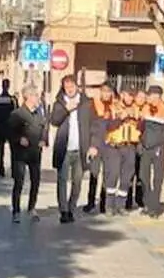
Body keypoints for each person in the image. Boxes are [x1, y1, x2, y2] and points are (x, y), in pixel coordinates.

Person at [49, 74, 96, 224]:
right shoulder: (59, 103)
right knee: (62, 180)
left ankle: (71, 208)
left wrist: (93, 145)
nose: (69, 89)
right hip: (64, 148)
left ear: (76, 86)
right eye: (66, 87)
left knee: (77, 181)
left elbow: (93, 125)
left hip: (80, 148)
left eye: (71, 86)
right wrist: (66, 110)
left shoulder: (86, 103)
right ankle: (63, 211)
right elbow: (54, 121)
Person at [4, 87, 47, 223]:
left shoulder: (39, 114)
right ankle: (16, 211)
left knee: (35, 181)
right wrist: (18, 139)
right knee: (19, 182)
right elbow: (9, 132)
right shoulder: (17, 114)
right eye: (35, 96)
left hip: (35, 153)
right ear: (28, 97)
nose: (37, 99)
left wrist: (44, 140)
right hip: (20, 154)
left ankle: (31, 208)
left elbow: (44, 128)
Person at [138, 85, 164, 216]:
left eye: (151, 95)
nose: (148, 97)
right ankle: (148, 203)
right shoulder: (145, 108)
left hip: (159, 148)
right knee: (143, 176)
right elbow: (141, 127)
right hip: (146, 148)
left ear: (158, 96)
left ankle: (154, 207)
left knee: (157, 178)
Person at [85, 84, 117, 214]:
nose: (106, 94)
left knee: (107, 175)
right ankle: (91, 202)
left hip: (109, 145)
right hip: (96, 145)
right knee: (94, 173)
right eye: (104, 91)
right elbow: (89, 127)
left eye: (108, 92)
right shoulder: (93, 105)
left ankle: (104, 204)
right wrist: (91, 145)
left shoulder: (114, 106)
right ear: (100, 92)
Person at [0, 79, 17, 178]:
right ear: (9, 86)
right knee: (13, 150)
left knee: (0, 150)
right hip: (10, 127)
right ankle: (14, 170)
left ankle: (1, 169)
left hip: (0, 127)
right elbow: (16, 112)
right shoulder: (13, 99)